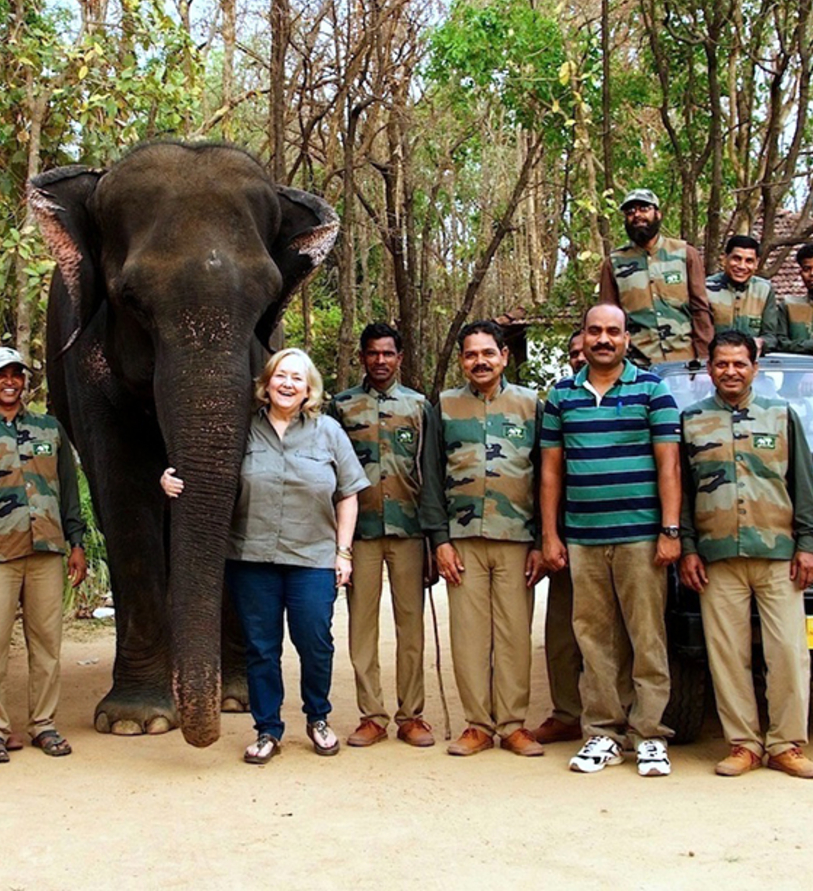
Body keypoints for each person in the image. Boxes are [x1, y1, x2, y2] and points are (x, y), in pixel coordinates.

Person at [161, 348, 367, 765]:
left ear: (309, 389)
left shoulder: (328, 431)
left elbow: (349, 493)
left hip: (312, 559)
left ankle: (318, 717)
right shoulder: (242, 431)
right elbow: (205, 470)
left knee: (316, 643)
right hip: (253, 558)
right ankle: (268, 728)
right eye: (280, 376)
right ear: (267, 383)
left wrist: (343, 553)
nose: (288, 384)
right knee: (260, 648)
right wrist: (167, 477)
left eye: (297, 378)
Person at [541, 303, 682, 776]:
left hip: (641, 536)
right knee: (594, 638)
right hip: (583, 538)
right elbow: (551, 471)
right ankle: (603, 732)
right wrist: (550, 535)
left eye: (613, 332)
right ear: (583, 337)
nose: (604, 339)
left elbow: (668, 465)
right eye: (595, 331)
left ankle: (649, 735)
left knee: (646, 636)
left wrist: (670, 530)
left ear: (627, 339)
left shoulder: (653, 390)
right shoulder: (561, 396)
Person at [679, 330, 813, 778]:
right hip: (717, 557)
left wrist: (807, 544)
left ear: (755, 369)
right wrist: (688, 548)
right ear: (709, 370)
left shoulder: (781, 415)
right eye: (722, 364)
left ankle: (786, 744)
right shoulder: (691, 421)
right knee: (727, 655)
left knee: (787, 652)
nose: (731, 371)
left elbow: (803, 484)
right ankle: (742, 743)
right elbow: (682, 492)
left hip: (778, 554)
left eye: (739, 364)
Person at [0, 347, 87, 762]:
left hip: (47, 550)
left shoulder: (50, 429)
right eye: (0, 375)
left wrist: (77, 543)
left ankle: (43, 724)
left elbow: (68, 491)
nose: (9, 381)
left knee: (46, 644)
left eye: (16, 374)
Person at [425, 321, 548, 759]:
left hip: (517, 539)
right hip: (462, 541)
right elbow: (431, 476)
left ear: (504, 356)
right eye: (471, 354)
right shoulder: (444, 406)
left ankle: (513, 725)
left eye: (488, 353)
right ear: (462, 360)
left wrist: (542, 541)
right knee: (469, 636)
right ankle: (477, 725)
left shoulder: (531, 405)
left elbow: (547, 476)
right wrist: (439, 540)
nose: (480, 362)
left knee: (514, 635)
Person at [325, 323, 439, 749]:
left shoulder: (419, 406)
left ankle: (412, 716)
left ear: (400, 358)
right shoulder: (341, 407)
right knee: (362, 629)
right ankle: (371, 716)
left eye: (388, 353)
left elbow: (430, 474)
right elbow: (330, 474)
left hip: (409, 531)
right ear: (361, 357)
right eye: (372, 353)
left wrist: (434, 538)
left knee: (411, 628)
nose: (380, 360)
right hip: (362, 534)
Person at [529, 329, 588, 746]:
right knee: (562, 634)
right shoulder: (559, 401)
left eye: (585, 351)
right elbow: (542, 473)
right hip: (566, 535)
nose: (580, 357)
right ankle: (567, 714)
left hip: (617, 534)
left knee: (613, 634)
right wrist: (546, 536)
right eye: (573, 353)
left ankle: (619, 718)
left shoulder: (639, 391)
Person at [598, 189, 714, 366]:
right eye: (630, 212)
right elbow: (608, 318)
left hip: (684, 362)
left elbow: (700, 310)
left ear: (658, 214)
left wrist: (705, 360)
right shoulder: (614, 263)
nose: (637, 215)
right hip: (638, 365)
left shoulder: (685, 254)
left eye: (644, 209)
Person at [705, 235, 785, 353]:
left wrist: (760, 343)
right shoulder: (705, 288)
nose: (742, 266)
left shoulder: (764, 290)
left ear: (756, 263)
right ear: (724, 258)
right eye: (736, 259)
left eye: (749, 261)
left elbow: (771, 336)